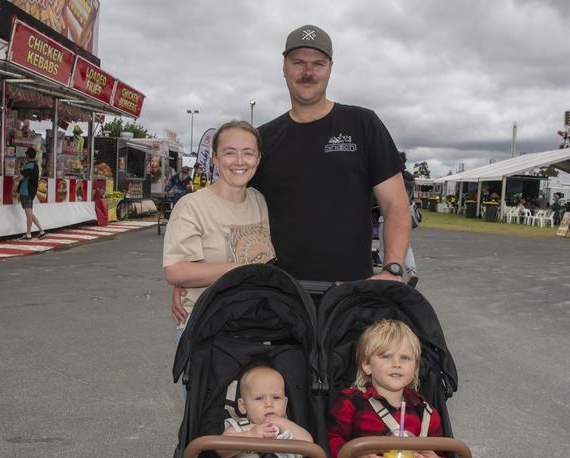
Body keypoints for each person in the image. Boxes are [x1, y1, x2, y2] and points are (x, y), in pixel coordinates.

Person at [171, 24, 410, 324]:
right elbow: (231, 210)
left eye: (317, 63)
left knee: (352, 371)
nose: (307, 72)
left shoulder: (363, 124)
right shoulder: (263, 140)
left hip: (351, 296)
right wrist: (195, 274)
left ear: (330, 68)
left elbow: (396, 204)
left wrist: (393, 268)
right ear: (284, 67)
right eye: (298, 62)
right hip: (278, 298)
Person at [163, 121, 276, 330]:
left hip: (257, 325)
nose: (240, 161)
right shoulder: (192, 206)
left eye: (249, 153)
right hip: (208, 328)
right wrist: (240, 270)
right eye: (230, 153)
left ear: (258, 158)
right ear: (215, 157)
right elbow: (175, 271)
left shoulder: (259, 200)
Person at [327, 320, 447, 458]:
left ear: (415, 368)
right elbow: (330, 441)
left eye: (405, 358)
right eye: (386, 356)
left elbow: (445, 456)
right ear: (367, 365)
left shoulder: (426, 412)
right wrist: (355, 453)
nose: (397, 364)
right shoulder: (352, 402)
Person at [217, 365, 313, 458]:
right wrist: (250, 435)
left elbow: (308, 447)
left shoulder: (289, 430)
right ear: (243, 406)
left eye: (276, 397)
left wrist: (283, 423)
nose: (269, 404)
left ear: (285, 403)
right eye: (259, 398)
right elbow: (221, 449)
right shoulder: (239, 428)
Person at [378, 169, 419, 287]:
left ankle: (389, 274)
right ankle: (412, 272)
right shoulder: (409, 179)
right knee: (407, 247)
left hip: (388, 217)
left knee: (385, 248)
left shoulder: (393, 179)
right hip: (406, 215)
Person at [17, 147, 46, 240]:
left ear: (27, 155)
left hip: (26, 190)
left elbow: (21, 177)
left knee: (28, 213)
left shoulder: (29, 165)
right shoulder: (35, 165)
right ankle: (41, 231)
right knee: (30, 213)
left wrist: (18, 168)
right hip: (31, 191)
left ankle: (29, 234)